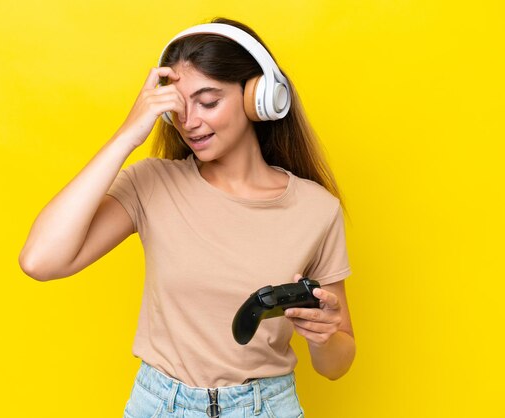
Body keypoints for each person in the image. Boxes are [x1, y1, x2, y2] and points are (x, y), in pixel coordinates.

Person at [19, 17, 355, 418]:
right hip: (160, 405)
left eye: (208, 102)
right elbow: (39, 261)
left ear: (258, 97)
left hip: (267, 407)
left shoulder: (317, 208)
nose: (189, 123)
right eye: (177, 107)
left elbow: (337, 363)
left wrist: (323, 336)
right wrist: (128, 134)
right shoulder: (152, 184)